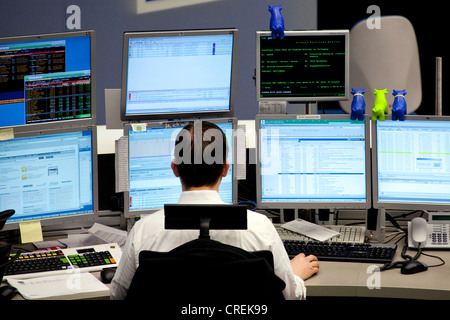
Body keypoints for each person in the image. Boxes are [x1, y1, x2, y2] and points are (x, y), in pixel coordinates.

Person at [110, 120, 319, 300]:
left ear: (174, 168)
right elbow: (287, 296)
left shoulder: (144, 231)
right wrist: (296, 277)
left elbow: (119, 295)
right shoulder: (260, 227)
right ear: (226, 169)